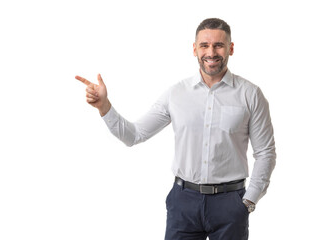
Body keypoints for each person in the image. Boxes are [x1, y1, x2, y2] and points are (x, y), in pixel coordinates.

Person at [75, 18, 276, 240]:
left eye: (219, 45)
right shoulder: (176, 94)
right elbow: (134, 135)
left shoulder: (250, 95)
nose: (211, 52)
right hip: (183, 202)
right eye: (204, 45)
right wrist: (104, 106)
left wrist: (248, 201)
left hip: (230, 203)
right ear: (194, 49)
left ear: (231, 48)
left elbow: (265, 153)